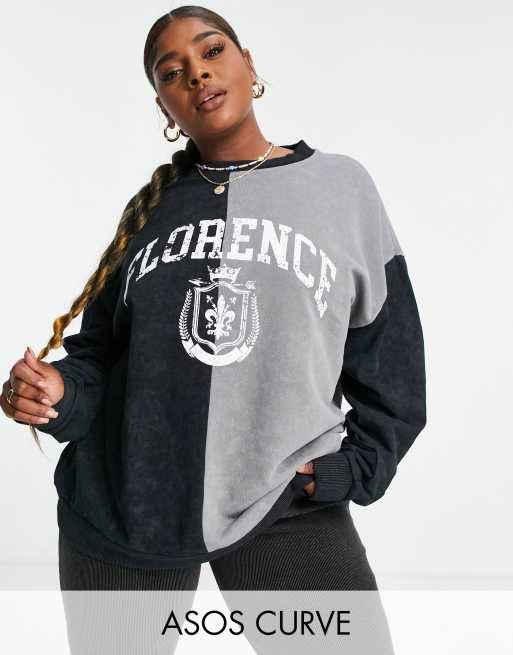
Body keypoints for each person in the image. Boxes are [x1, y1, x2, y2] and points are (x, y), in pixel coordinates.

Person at [1, 5, 426, 653]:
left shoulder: (341, 187)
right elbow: (100, 356)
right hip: (126, 508)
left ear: (248, 64)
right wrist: (57, 392)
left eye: (211, 51)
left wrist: (353, 469)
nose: (196, 74)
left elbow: (391, 361)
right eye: (171, 73)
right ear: (163, 107)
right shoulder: (150, 209)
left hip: (285, 503)